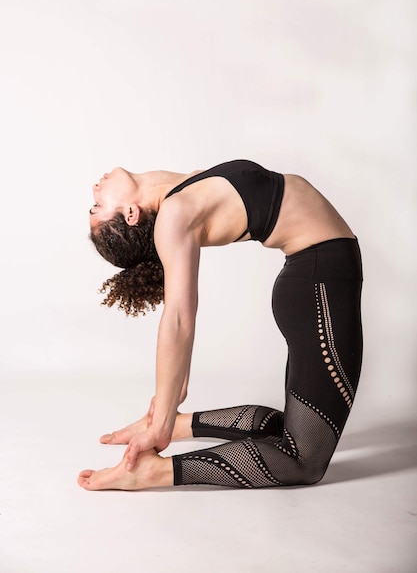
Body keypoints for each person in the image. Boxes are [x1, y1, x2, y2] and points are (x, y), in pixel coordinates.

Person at [78, 160, 363, 491]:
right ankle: (155, 472)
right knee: (305, 458)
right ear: (130, 214)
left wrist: (169, 407)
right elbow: (179, 318)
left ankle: (187, 425)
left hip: (317, 278)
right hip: (320, 285)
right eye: (97, 205)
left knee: (286, 428)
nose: (95, 189)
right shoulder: (174, 215)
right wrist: (162, 423)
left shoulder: (181, 191)